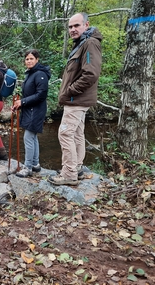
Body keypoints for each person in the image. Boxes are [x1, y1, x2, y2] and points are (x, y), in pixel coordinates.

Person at [48, 12, 102, 186]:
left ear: (86, 25)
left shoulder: (89, 44)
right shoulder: (82, 44)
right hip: (77, 100)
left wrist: (70, 92)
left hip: (76, 100)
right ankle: (76, 167)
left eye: (76, 25)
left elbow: (90, 74)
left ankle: (69, 173)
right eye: (70, 26)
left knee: (65, 133)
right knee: (77, 134)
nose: (72, 29)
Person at [12, 49, 50, 177]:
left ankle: (27, 167)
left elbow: (41, 95)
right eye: (27, 59)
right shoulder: (31, 73)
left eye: (31, 58)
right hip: (29, 109)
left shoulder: (40, 74)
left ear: (37, 60)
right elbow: (29, 93)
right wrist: (19, 104)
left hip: (36, 110)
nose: (28, 61)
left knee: (28, 137)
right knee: (32, 137)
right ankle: (35, 164)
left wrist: (22, 102)